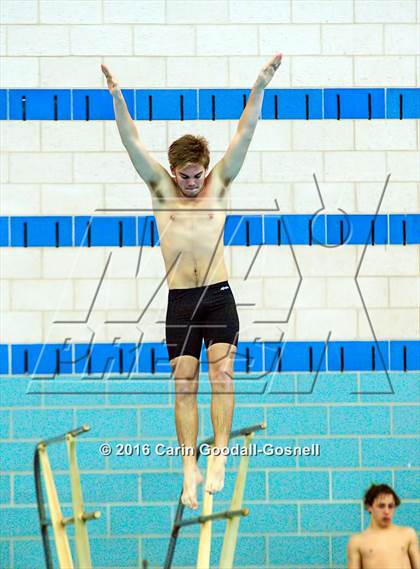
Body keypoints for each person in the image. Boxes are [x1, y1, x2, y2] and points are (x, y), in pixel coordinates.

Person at [101, 54, 282, 509]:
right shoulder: (160, 190)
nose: (189, 183)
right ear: (173, 171)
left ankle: (218, 454)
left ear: (205, 167)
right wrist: (117, 98)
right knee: (184, 384)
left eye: (195, 175)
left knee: (222, 375)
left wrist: (259, 84)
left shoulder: (219, 184)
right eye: (183, 176)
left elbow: (246, 131)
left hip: (219, 297)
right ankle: (189, 466)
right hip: (180, 300)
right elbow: (131, 143)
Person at [347, 483, 419, 569]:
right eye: (381, 506)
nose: (387, 511)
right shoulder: (357, 541)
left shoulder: (407, 534)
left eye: (391, 506)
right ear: (369, 507)